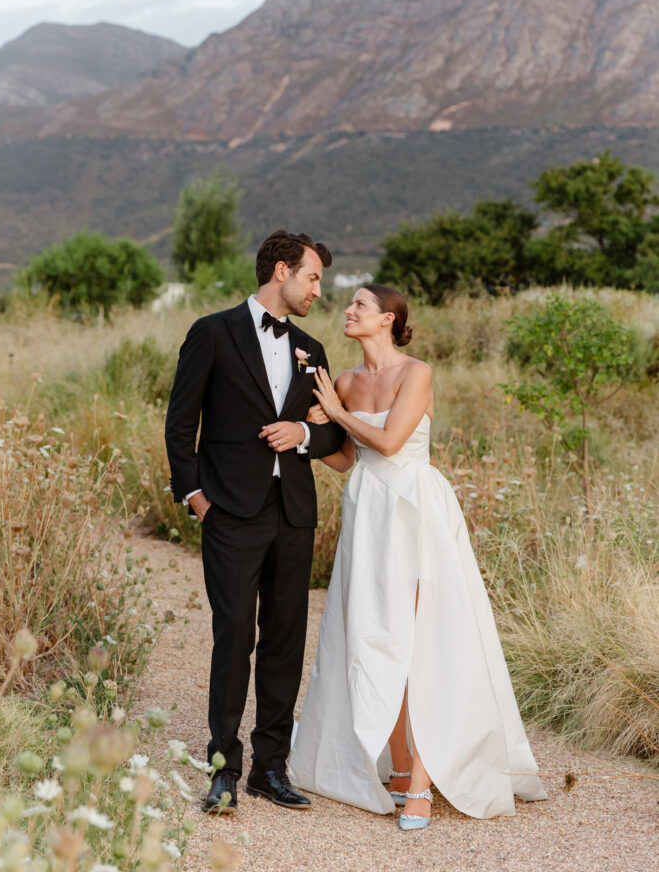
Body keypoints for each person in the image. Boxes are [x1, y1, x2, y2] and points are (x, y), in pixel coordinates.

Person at [288, 284, 547, 829]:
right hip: (368, 513)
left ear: (388, 318)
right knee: (375, 636)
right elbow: (344, 458)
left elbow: (389, 443)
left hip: (417, 510)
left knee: (427, 639)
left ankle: (425, 782)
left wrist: (336, 411)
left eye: (359, 304)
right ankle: (400, 769)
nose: (348, 311)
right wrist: (308, 433)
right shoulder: (345, 381)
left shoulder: (416, 372)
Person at [165, 230, 345, 814]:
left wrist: (304, 435)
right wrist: (195, 495)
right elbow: (180, 422)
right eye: (313, 277)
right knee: (234, 633)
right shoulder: (212, 333)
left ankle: (272, 767)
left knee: (286, 640)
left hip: (293, 512)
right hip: (229, 512)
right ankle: (223, 767)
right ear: (282, 272)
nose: (320, 289)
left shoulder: (312, 349)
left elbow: (334, 432)